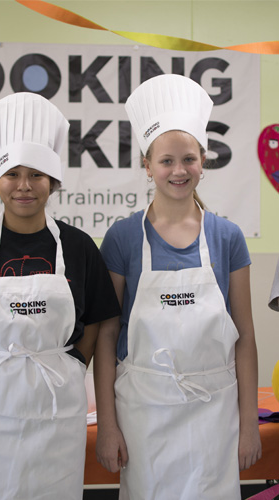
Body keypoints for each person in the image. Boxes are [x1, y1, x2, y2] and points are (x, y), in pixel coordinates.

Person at [0, 92, 121, 500]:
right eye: (12, 174)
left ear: (53, 182)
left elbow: (95, 319)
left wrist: (75, 365)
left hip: (57, 403)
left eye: (37, 175)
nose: (24, 186)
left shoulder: (76, 247)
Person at [95, 74, 262, 499]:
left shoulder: (227, 236)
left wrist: (248, 425)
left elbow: (244, 337)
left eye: (189, 159)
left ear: (203, 162)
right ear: (147, 166)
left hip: (214, 414)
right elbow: (108, 335)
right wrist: (108, 425)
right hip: (143, 414)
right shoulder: (123, 238)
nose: (178, 170)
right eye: (166, 161)